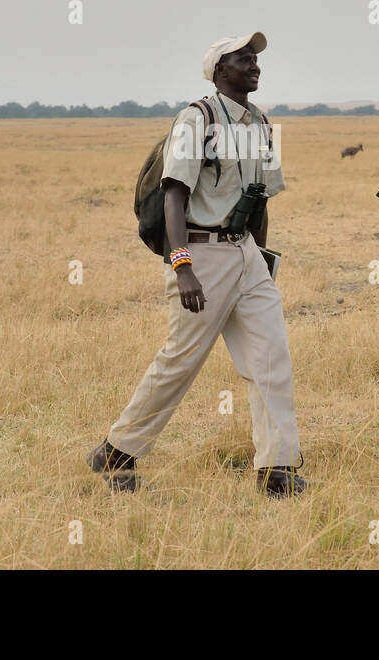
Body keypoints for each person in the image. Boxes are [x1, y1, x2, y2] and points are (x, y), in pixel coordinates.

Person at [87, 32, 305, 497]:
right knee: (180, 361)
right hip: (200, 253)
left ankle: (276, 469)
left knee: (272, 360)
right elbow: (174, 193)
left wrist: (261, 260)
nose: (255, 65)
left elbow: (260, 199)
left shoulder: (262, 124)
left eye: (256, 59)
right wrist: (181, 264)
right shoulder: (196, 119)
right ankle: (116, 452)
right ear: (219, 70)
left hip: (245, 253)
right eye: (243, 58)